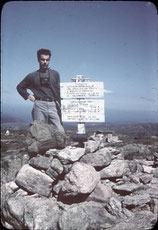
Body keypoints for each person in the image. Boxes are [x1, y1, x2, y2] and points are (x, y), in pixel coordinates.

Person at [16, 48, 65, 134]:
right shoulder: (32, 76)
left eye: (47, 60)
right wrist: (28, 96)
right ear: (38, 60)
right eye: (42, 59)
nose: (45, 62)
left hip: (53, 104)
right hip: (39, 105)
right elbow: (20, 87)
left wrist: (61, 105)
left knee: (60, 131)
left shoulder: (55, 74)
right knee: (39, 132)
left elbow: (58, 91)